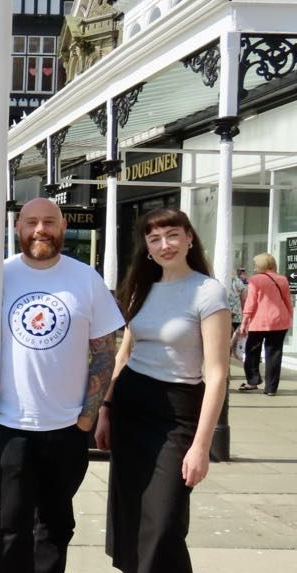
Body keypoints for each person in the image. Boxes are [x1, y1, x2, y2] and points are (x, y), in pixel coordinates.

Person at [96, 208, 230, 573]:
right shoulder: (143, 286)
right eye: (154, 238)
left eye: (172, 235)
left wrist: (201, 446)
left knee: (165, 521)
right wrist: (106, 406)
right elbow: (127, 349)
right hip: (130, 406)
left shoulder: (208, 292)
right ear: (146, 247)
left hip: (177, 413)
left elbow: (217, 375)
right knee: (133, 514)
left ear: (189, 237)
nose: (164, 245)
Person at [0, 198, 124, 573]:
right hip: (9, 426)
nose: (40, 229)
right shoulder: (0, 275)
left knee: (56, 525)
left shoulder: (86, 279)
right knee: (10, 526)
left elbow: (104, 353)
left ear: (63, 226)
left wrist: (86, 418)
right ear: (17, 228)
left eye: (49, 221)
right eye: (31, 222)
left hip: (67, 428)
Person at [239, 253, 293, 396]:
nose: (254, 267)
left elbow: (251, 302)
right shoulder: (282, 279)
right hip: (280, 321)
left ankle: (253, 381)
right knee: (275, 354)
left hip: (259, 321)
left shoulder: (255, 280)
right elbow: (288, 301)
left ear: (261, 265)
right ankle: (271, 389)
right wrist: (290, 318)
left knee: (251, 352)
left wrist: (244, 321)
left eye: (256, 264)